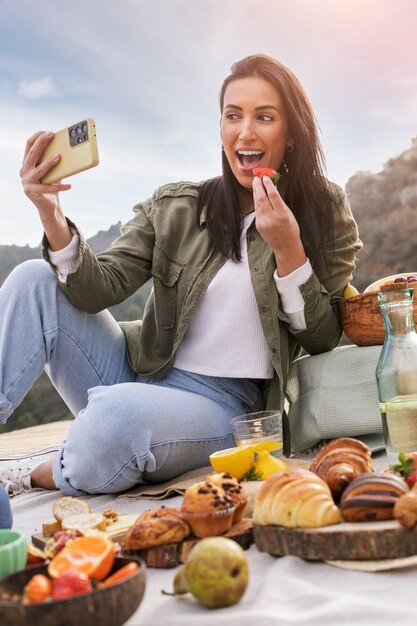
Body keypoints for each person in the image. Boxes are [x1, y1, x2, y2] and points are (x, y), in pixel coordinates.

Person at [0, 54, 361, 497]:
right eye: (233, 116)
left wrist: (289, 250)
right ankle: (98, 439)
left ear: (290, 134)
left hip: (223, 408)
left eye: (264, 117)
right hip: (138, 371)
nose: (245, 132)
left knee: (116, 418)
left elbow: (323, 337)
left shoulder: (323, 211)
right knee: (34, 278)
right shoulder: (177, 206)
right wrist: (51, 213)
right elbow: (98, 289)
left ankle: (41, 470)